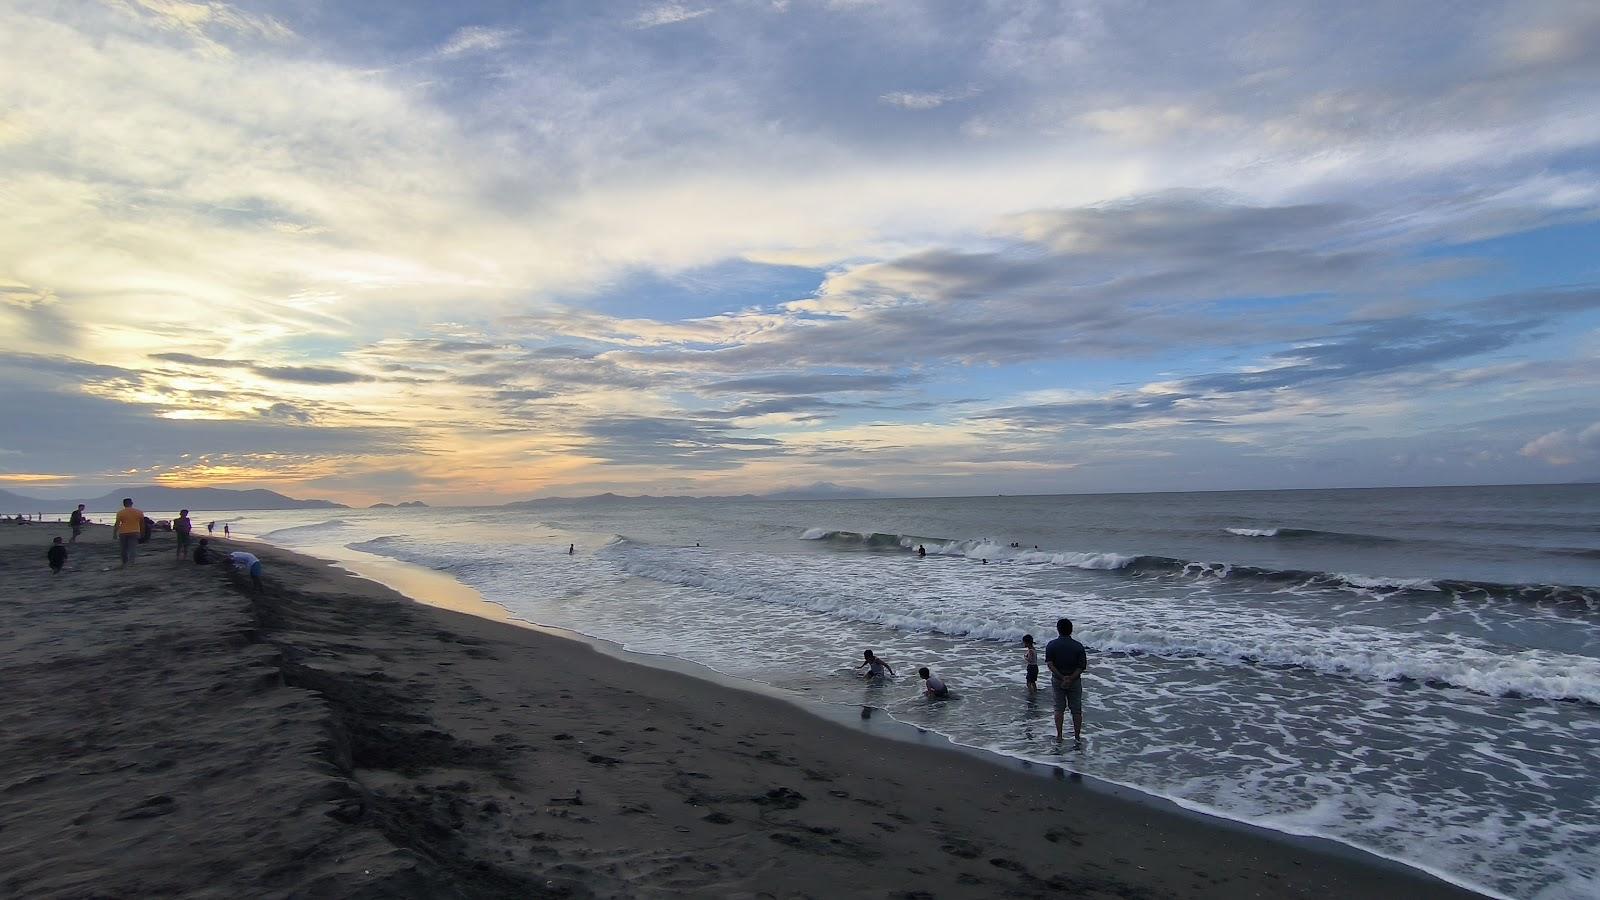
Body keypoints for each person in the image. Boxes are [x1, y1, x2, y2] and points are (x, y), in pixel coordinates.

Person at [1045, 617, 1088, 744]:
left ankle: (1059, 736)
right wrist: (1070, 678)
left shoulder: (1052, 645)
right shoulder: (1078, 646)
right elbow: (1081, 667)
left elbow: (1050, 664)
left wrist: (1062, 677)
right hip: (1074, 680)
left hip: (1058, 679)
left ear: (1058, 630)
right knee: (1076, 710)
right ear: (1071, 630)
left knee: (1059, 708)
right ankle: (1077, 736)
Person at [114, 498, 143, 567]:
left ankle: (124, 562)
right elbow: (142, 524)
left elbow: (117, 524)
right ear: (132, 503)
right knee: (132, 548)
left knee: (123, 548)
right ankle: (131, 563)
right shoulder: (139, 512)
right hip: (135, 531)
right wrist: (142, 532)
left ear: (124, 504)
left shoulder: (120, 512)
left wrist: (114, 533)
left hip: (123, 532)